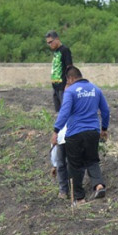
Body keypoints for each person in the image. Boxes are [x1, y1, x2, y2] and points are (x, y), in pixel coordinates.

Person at [53, 66, 109, 204]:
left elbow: (64, 112)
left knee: (75, 165)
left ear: (70, 78)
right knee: (92, 160)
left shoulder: (70, 91)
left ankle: (79, 198)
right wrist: (104, 128)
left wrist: (56, 130)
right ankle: (98, 185)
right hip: (92, 132)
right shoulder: (95, 89)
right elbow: (106, 110)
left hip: (75, 133)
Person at [46, 30, 73, 199]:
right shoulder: (56, 52)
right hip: (55, 86)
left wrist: (67, 84)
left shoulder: (64, 50)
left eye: (51, 42)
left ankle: (65, 128)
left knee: (65, 111)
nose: (49, 45)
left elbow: (69, 67)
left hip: (63, 86)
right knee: (58, 112)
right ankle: (60, 125)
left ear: (57, 40)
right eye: (47, 43)